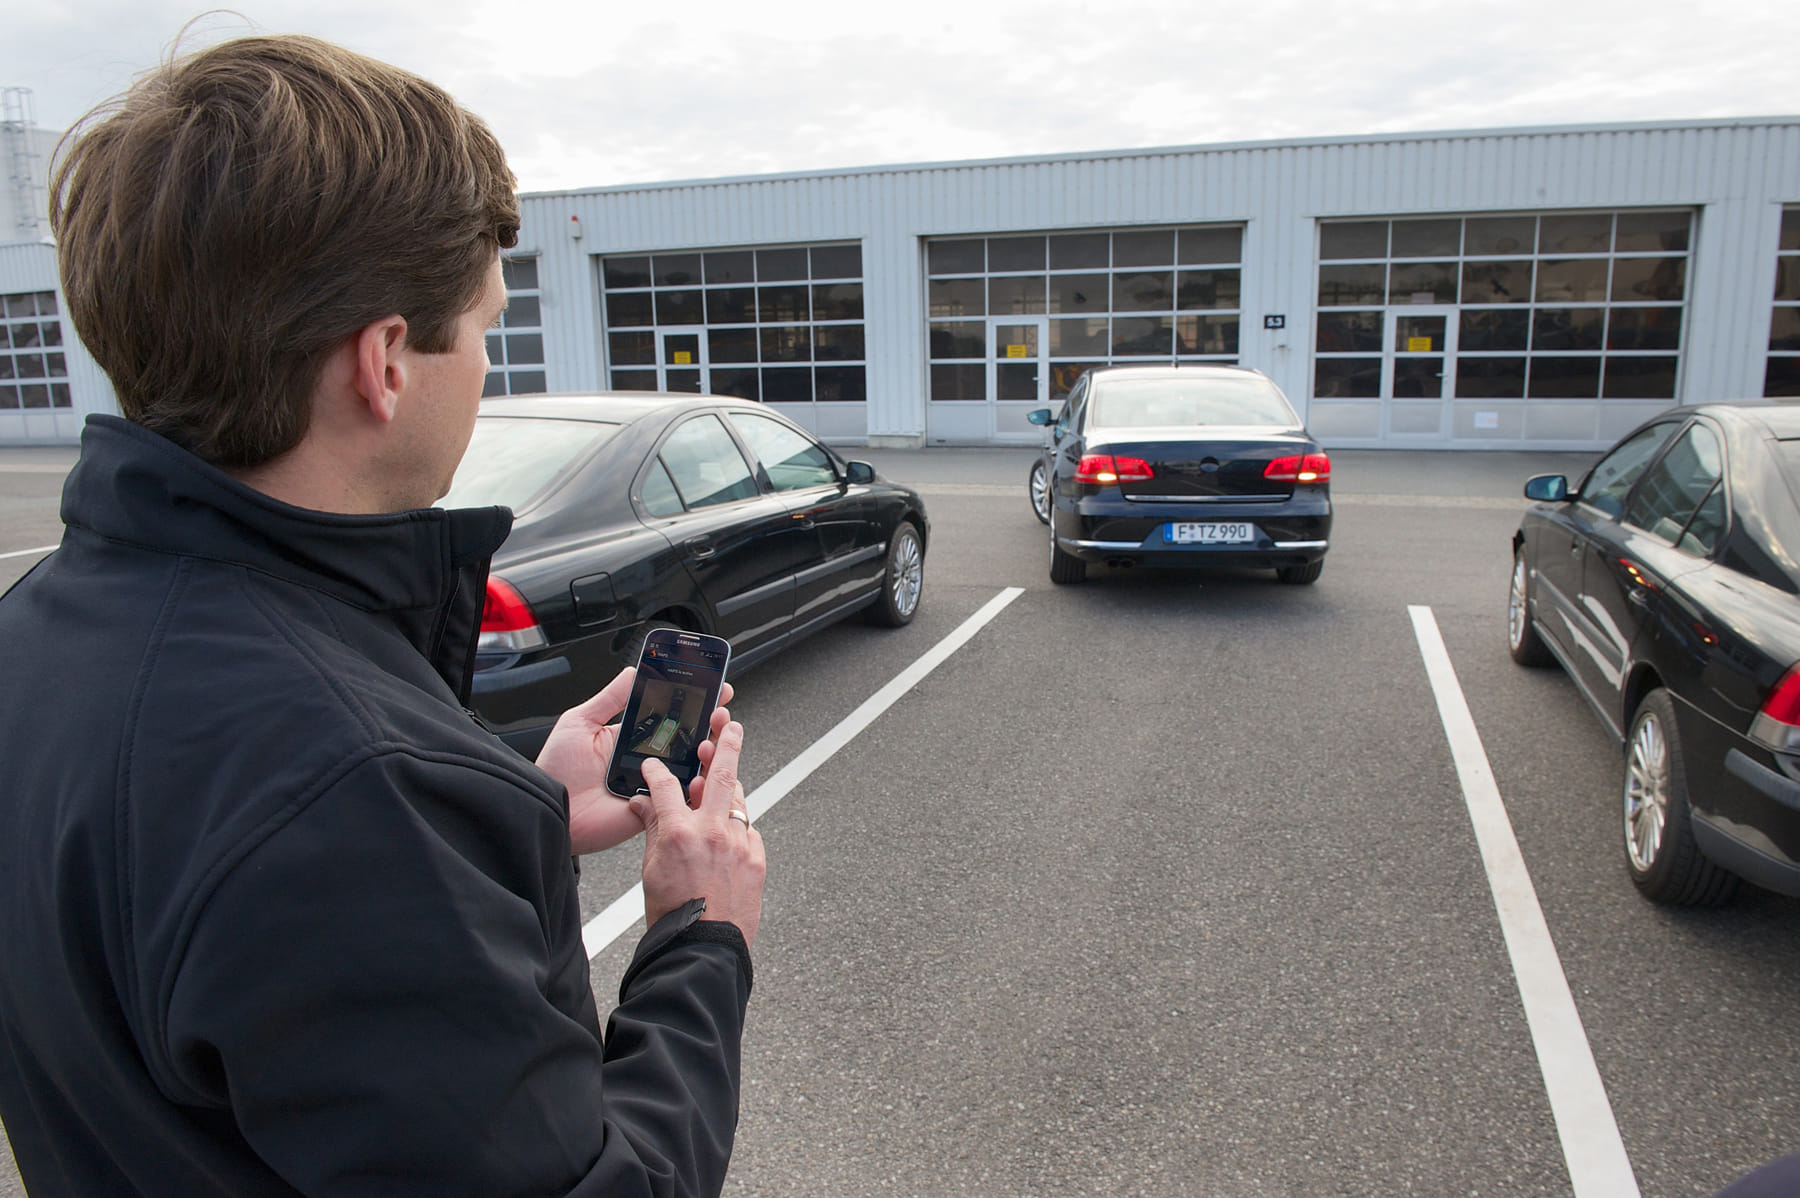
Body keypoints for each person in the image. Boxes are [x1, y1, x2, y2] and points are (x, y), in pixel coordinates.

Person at [0, 33, 765, 1197]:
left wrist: (501, 811)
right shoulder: (348, 795)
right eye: (488, 329)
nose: (489, 367)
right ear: (386, 364)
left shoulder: (35, 636)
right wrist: (700, 940)